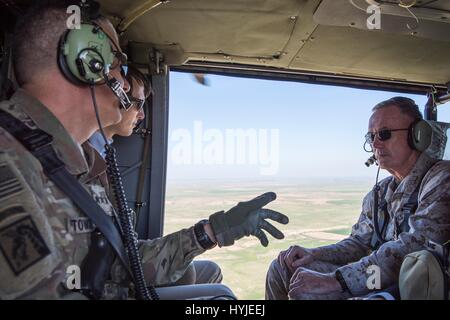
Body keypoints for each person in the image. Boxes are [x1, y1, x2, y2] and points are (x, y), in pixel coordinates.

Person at [0, 1, 288, 300]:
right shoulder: (10, 159)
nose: (124, 83)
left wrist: (215, 230)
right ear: (83, 62)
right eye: (116, 64)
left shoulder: (68, 161)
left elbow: (124, 264)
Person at [265, 96, 450, 300]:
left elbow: (414, 247)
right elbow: (359, 244)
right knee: (283, 268)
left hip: (408, 286)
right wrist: (315, 254)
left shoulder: (441, 179)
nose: (376, 144)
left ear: (418, 134)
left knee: (309, 293)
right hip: (375, 278)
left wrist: (337, 281)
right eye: (371, 137)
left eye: (384, 134)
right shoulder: (380, 193)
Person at [87, 64, 224, 287]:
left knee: (209, 271)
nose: (141, 114)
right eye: (138, 104)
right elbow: (124, 264)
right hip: (112, 282)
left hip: (120, 267)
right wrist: (210, 232)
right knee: (220, 293)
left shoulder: (103, 154)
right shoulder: (85, 162)